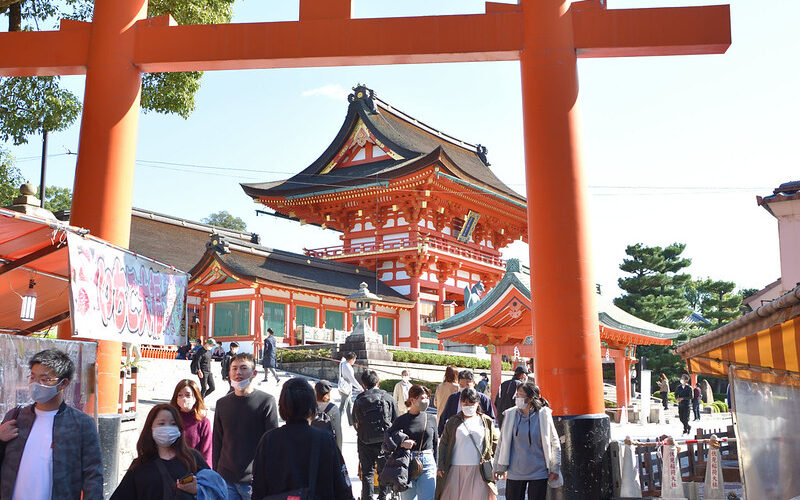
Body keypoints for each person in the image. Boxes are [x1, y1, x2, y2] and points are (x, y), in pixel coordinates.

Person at [0, 349, 103, 500]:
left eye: (45, 379)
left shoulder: (81, 424)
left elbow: (93, 475)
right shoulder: (16, 417)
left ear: (63, 383)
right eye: (33, 377)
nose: (36, 384)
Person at [251, 378, 354, 499]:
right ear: (312, 407)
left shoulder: (269, 440)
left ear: (282, 407)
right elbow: (343, 489)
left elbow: (258, 488)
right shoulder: (325, 440)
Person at [213, 353, 279, 499]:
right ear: (229, 372)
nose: (238, 373)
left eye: (243, 368)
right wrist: (216, 472)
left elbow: (273, 444)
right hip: (226, 478)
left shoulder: (266, 402)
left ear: (254, 373)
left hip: (254, 480)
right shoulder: (222, 403)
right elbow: (217, 440)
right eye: (234, 368)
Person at [111, 404, 208, 499]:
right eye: (161, 423)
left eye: (173, 424)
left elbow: (216, 489)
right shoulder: (140, 465)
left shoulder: (192, 458)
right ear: (151, 428)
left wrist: (198, 490)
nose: (167, 428)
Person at [493, 383, 562, 500]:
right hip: (515, 472)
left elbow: (555, 443)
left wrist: (555, 468)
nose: (517, 397)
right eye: (517, 394)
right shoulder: (510, 414)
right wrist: (497, 467)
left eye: (520, 395)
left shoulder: (544, 414)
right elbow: (502, 442)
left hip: (539, 472)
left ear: (530, 398)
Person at [435, 388, 499, 500]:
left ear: (477, 403)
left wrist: (496, 464)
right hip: (455, 470)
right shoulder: (453, 421)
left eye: (471, 402)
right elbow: (444, 444)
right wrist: (441, 465)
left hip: (479, 471)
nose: (467, 405)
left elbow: (495, 443)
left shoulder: (486, 421)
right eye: (464, 402)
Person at [385, 385, 438, 500]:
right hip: (406, 463)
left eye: (427, 398)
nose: (426, 401)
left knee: (428, 497)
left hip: (428, 462)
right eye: (422, 398)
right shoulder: (401, 420)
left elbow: (435, 445)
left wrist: (437, 466)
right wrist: (401, 443)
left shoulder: (431, 419)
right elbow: (387, 438)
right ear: (412, 400)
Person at [354, 370, 397, 500]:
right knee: (384, 471)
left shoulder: (359, 399)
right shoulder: (388, 397)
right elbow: (396, 419)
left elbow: (355, 421)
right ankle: (383, 496)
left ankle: (367, 497)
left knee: (367, 472)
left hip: (365, 441)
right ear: (378, 382)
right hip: (384, 441)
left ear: (363, 384)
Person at [438, 370, 495, 436]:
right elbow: (444, 417)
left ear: (473, 383)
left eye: (467, 385)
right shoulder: (453, 398)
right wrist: (440, 434)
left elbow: (491, 420)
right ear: (458, 383)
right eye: (462, 386)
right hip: (455, 436)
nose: (465, 389)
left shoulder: (484, 399)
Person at [169, 379, 212, 465]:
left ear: (195, 397)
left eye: (188, 395)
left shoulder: (203, 422)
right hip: (170, 468)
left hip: (194, 470)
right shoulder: (170, 419)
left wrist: (205, 474)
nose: (183, 398)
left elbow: (207, 453)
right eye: (180, 395)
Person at [315, 380, 343, 451]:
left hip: (313, 448)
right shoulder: (333, 409)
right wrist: (339, 454)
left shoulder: (309, 407)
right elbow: (338, 432)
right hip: (329, 449)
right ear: (328, 393)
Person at [338, 352, 363, 426]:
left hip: (342, 387)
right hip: (346, 389)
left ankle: (351, 422)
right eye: (354, 359)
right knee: (343, 407)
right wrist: (360, 388)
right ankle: (336, 422)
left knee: (349, 405)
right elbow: (352, 380)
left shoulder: (342, 363)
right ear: (352, 359)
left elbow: (342, 360)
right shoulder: (348, 367)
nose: (355, 361)